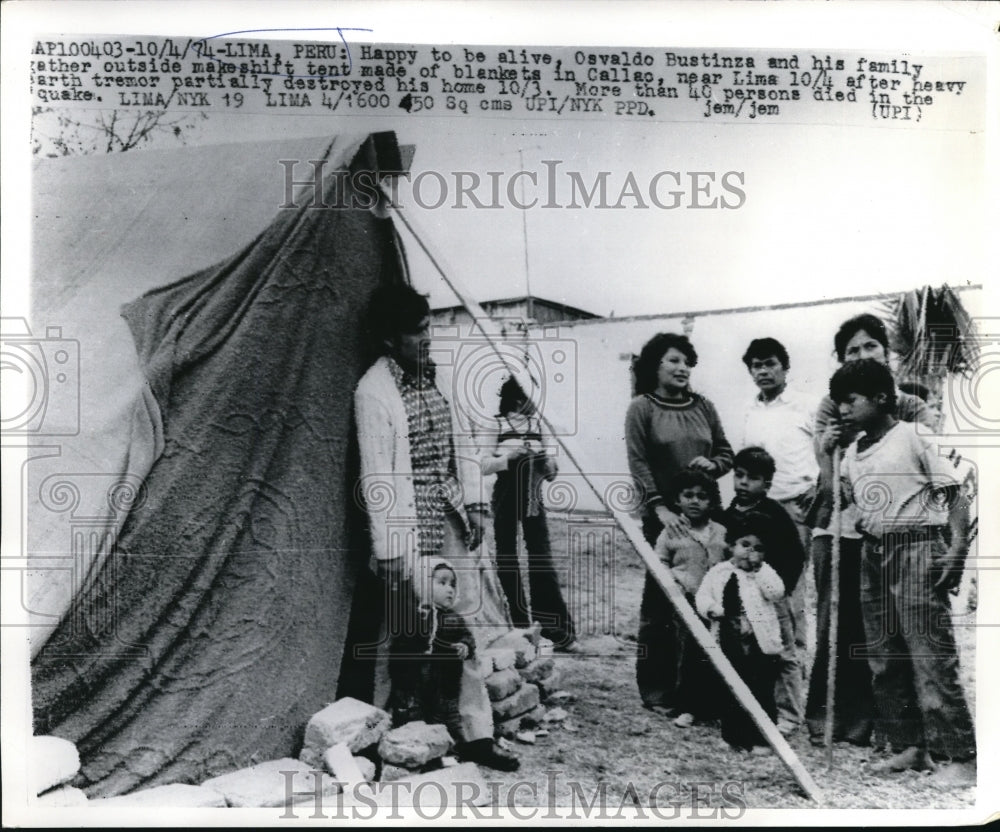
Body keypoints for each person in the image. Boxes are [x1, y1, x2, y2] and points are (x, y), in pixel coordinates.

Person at [354, 283, 518, 771]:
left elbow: (464, 444)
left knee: (460, 624)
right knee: (405, 632)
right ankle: (399, 737)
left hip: (445, 516)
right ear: (389, 339)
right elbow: (378, 474)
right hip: (407, 527)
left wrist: (477, 504)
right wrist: (388, 550)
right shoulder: (374, 391)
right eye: (416, 332)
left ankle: (474, 732)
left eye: (429, 328)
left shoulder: (438, 378)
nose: (427, 340)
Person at [829, 359, 975, 784]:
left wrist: (959, 546)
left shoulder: (913, 435)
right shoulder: (851, 456)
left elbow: (954, 492)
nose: (841, 409)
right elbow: (832, 501)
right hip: (874, 555)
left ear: (881, 398)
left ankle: (958, 758)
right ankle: (910, 746)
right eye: (837, 401)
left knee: (930, 655)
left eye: (849, 400)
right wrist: (826, 453)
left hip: (916, 549)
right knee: (885, 658)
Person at [804, 313, 937, 748]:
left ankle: (893, 730)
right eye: (851, 352)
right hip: (840, 528)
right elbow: (829, 484)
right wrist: (829, 450)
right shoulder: (833, 404)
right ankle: (830, 720)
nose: (862, 356)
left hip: (894, 533)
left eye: (870, 348)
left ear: (887, 353)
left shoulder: (910, 405)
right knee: (834, 627)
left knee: (884, 636)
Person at [624, 332, 734, 716]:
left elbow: (725, 452)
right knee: (662, 603)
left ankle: (702, 691)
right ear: (655, 365)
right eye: (673, 360)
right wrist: (660, 510)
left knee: (710, 599)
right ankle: (658, 689)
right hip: (666, 520)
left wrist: (714, 465)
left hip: (708, 519)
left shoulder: (704, 406)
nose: (682, 368)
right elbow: (638, 462)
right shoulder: (642, 407)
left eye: (687, 361)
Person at [390, 557, 519, 768]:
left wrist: (465, 647)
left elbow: (467, 637)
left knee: (447, 718)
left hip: (447, 683)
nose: (449, 590)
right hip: (416, 684)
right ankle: (424, 755)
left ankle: (455, 749)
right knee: (416, 718)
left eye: (452, 584)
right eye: (441, 583)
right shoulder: (411, 616)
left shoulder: (453, 618)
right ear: (421, 584)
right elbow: (402, 648)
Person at [483, 376, 579, 651]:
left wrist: (549, 464)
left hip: (533, 491)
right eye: (532, 397)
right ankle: (516, 625)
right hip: (506, 491)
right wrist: (508, 459)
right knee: (507, 556)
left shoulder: (539, 425)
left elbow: (552, 470)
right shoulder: (496, 423)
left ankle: (554, 629)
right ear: (518, 398)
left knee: (541, 556)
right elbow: (481, 463)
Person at [739, 337, 817, 664]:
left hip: (795, 508)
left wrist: (821, 485)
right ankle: (764, 660)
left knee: (790, 588)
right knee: (758, 583)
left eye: (770, 364)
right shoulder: (751, 411)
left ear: (785, 368)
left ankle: (794, 662)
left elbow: (832, 449)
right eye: (756, 366)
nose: (764, 371)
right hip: (761, 512)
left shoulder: (806, 405)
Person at [721, 447, 807, 735]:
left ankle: (789, 715)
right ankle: (747, 708)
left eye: (753, 478)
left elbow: (795, 555)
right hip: (741, 597)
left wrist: (781, 591)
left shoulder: (775, 515)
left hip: (773, 596)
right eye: (739, 475)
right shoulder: (729, 513)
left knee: (782, 653)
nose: (744, 483)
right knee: (745, 651)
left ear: (767, 484)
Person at [696, 512, 785, 753]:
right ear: (732, 545)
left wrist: (761, 569)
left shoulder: (763, 574)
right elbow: (702, 596)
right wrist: (712, 609)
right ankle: (733, 736)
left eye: (758, 548)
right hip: (728, 638)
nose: (750, 552)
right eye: (745, 545)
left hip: (759, 644)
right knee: (731, 689)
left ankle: (761, 739)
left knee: (761, 691)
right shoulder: (719, 572)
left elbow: (776, 592)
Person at [652, 467, 728, 728]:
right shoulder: (671, 532)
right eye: (688, 495)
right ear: (677, 500)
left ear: (711, 501)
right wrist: (672, 584)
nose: (695, 501)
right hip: (686, 604)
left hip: (716, 606)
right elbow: (659, 561)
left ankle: (714, 707)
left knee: (716, 655)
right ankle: (686, 707)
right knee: (687, 656)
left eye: (702, 496)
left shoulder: (720, 531)